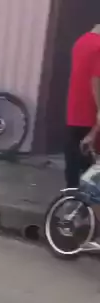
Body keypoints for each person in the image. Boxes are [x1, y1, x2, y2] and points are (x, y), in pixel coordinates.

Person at [65, 25, 100, 187]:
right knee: (91, 168)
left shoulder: (81, 42)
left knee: (73, 162)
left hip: (75, 112)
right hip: (91, 113)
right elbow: (96, 81)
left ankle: (72, 196)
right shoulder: (98, 47)